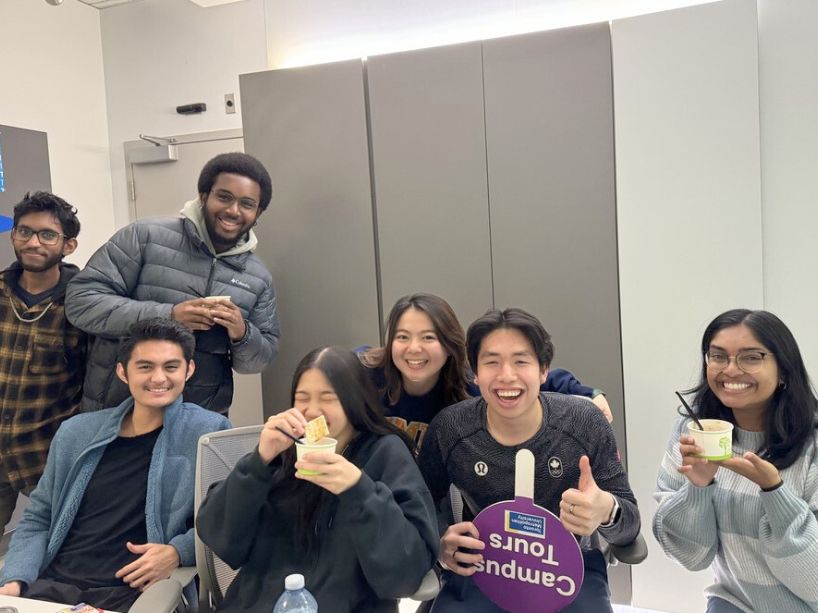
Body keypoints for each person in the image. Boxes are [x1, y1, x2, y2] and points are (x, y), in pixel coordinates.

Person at [0, 318, 231, 611]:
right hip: (51, 586)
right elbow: (39, 518)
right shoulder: (77, 432)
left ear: (190, 370)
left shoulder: (207, 433)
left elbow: (229, 519)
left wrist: (178, 552)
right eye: (145, 366)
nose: (159, 378)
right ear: (123, 371)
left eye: (171, 367)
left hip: (131, 595)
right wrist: (14, 579)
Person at [418, 308, 639, 612]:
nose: (506, 376)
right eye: (492, 362)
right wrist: (442, 543)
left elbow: (630, 527)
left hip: (569, 570)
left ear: (543, 370)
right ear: (476, 372)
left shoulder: (584, 422)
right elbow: (421, 507)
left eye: (521, 361)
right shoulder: (451, 429)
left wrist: (606, 511)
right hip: (483, 567)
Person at [197, 346, 439, 613]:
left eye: (328, 398)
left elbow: (406, 572)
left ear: (354, 401)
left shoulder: (385, 453)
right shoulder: (281, 455)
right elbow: (219, 537)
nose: (312, 411)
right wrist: (259, 461)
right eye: (302, 398)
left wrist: (359, 489)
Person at [66, 152, 280, 415]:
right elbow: (81, 302)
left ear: (258, 213)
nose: (233, 210)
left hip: (197, 422)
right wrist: (168, 315)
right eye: (224, 197)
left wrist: (241, 332)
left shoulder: (257, 277)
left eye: (247, 204)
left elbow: (257, 361)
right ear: (204, 196)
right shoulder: (145, 237)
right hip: (116, 413)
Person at [654, 309, 818, 613]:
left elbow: (814, 582)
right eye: (718, 356)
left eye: (751, 357)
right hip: (733, 603)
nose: (730, 370)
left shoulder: (812, 445)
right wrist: (698, 488)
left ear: (783, 369)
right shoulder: (694, 430)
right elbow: (690, 556)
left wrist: (774, 491)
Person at [358, 293, 612, 449]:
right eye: (402, 337)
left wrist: (591, 393)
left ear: (449, 345)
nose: (414, 349)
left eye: (428, 338)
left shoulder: (467, 383)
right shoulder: (364, 373)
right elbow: (324, 374)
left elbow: (538, 378)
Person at [0, 191, 86, 531]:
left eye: (47, 234)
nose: (33, 242)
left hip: (46, 456)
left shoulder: (83, 302)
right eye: (24, 231)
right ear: (13, 235)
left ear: (68, 245)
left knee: (56, 553)